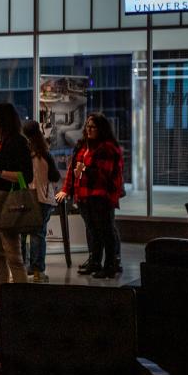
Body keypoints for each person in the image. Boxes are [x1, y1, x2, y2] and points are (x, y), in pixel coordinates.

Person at [0, 102, 33, 314]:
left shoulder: (19, 142)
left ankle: (22, 300)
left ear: (3, 118)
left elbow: (25, 177)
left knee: (13, 254)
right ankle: (4, 299)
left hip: (8, 200)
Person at [56, 112, 125, 278]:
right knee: (93, 231)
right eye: (87, 126)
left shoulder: (107, 148)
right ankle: (94, 262)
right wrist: (67, 189)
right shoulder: (82, 145)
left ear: (101, 128)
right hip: (83, 195)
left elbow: (105, 175)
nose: (89, 129)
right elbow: (74, 170)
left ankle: (110, 265)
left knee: (105, 231)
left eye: (93, 126)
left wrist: (85, 170)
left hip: (101, 196)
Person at [21, 119, 60, 282]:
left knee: (22, 234)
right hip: (43, 197)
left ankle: (22, 268)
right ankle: (38, 271)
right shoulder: (45, 153)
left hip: (25, 197)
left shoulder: (23, 153)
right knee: (38, 234)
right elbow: (55, 176)